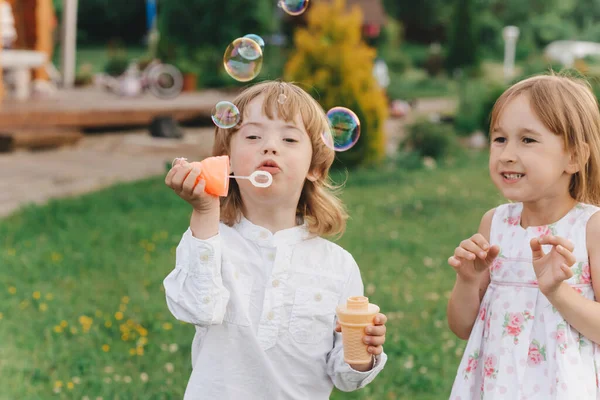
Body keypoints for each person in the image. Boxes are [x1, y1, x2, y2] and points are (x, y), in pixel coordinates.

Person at [163, 80, 388, 399]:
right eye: (253, 136)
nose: (269, 146)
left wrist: (364, 352)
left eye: (289, 138)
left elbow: (345, 377)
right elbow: (199, 309)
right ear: (227, 161)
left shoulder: (338, 266)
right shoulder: (210, 240)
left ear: (315, 169)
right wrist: (204, 211)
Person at [446, 73, 600, 399]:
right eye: (500, 139)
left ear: (573, 157)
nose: (506, 154)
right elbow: (461, 327)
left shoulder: (590, 228)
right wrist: (468, 281)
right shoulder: (495, 224)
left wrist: (557, 291)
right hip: (496, 385)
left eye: (527, 140)